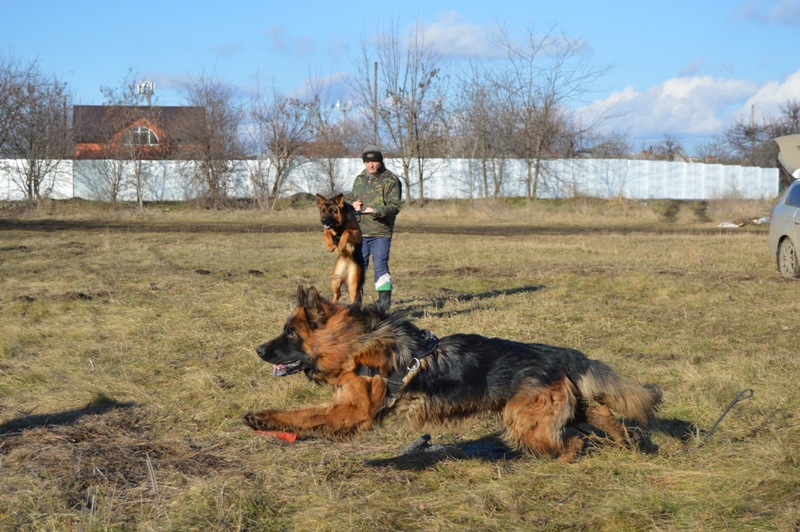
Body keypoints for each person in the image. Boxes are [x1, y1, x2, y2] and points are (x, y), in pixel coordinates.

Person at [351, 145, 402, 311]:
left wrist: (377, 211)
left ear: (380, 161)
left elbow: (395, 206)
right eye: (367, 161)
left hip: (381, 232)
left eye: (374, 161)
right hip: (360, 232)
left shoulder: (390, 179)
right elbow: (354, 201)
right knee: (358, 267)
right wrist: (354, 207)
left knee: (380, 266)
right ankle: (356, 303)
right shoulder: (359, 179)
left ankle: (383, 305)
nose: (371, 165)